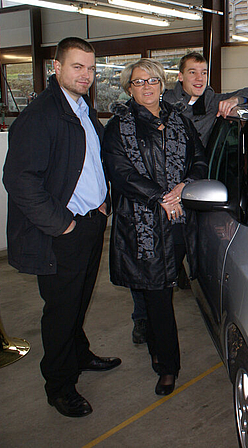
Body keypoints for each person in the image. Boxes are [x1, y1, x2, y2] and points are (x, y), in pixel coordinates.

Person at [3, 37, 121, 418]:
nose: (86, 75)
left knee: (79, 301)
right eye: (77, 67)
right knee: (60, 312)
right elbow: (19, 180)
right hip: (63, 235)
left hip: (90, 222)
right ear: (56, 67)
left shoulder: (82, 107)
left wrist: (102, 202)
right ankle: (59, 385)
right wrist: (63, 225)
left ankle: (79, 354)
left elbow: (87, 163)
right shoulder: (41, 115)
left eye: (91, 68)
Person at [103, 59, 207, 395]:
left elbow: (199, 158)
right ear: (128, 88)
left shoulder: (180, 120)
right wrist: (160, 196)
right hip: (142, 224)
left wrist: (185, 186)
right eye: (138, 82)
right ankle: (166, 366)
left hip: (179, 221)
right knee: (156, 296)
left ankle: (162, 355)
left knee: (167, 287)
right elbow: (120, 172)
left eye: (153, 80)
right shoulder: (119, 125)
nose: (147, 87)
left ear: (163, 84)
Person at [163, 51, 248, 147]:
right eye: (192, 72)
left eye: (203, 73)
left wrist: (235, 100)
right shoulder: (165, 101)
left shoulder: (213, 101)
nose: (199, 78)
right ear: (180, 76)